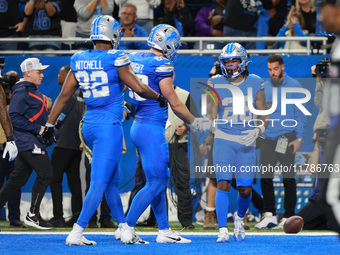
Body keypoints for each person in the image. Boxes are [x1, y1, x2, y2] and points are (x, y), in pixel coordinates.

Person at [42, 15, 167, 245]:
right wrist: (158, 97)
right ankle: (77, 231)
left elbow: (63, 96)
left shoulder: (79, 58)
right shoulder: (116, 57)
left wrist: (50, 124)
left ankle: (123, 228)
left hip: (88, 125)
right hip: (107, 127)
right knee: (99, 182)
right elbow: (138, 86)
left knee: (111, 180)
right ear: (113, 35)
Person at [114, 24, 211, 244]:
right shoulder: (162, 64)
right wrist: (195, 123)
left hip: (138, 127)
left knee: (155, 180)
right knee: (157, 182)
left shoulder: (134, 57)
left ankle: (164, 229)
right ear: (166, 44)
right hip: (151, 128)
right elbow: (175, 102)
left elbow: (125, 91)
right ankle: (126, 226)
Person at [207, 42, 269, 242]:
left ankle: (240, 218)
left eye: (234, 60)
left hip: (246, 140)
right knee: (222, 183)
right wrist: (213, 127)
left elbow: (264, 114)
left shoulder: (255, 81)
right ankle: (223, 229)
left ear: (243, 61)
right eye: (227, 61)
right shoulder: (215, 81)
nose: (231, 64)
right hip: (224, 138)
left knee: (245, 189)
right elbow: (211, 112)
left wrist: (259, 129)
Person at [0, 57, 53, 230]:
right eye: (39, 72)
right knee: (46, 174)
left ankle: (33, 214)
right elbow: (14, 117)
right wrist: (38, 130)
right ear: (28, 73)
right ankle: (33, 215)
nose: (43, 75)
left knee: (15, 181)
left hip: (29, 141)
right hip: (27, 141)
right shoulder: (23, 91)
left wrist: (49, 131)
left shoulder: (31, 90)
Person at [255, 54, 306, 230]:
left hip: (287, 136)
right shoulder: (263, 86)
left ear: (282, 67)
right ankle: (269, 215)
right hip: (267, 138)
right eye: (270, 70)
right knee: (266, 176)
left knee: (288, 178)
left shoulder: (294, 86)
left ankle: (288, 216)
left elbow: (300, 116)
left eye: (275, 69)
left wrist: (299, 139)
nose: (272, 73)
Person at [48, 65, 84, 228]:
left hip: (63, 145)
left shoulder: (67, 94)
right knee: (74, 183)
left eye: (60, 73)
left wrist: (52, 119)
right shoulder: (79, 96)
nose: (58, 76)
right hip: (75, 146)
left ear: (68, 75)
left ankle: (58, 217)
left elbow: (59, 117)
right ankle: (76, 217)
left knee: (54, 180)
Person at [318, 0, 340, 235]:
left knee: (330, 196)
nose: (321, 21)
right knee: (326, 195)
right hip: (336, 125)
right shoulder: (336, 42)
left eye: (323, 14)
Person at [166, 85, 199, 230]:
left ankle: (186, 221)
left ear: (172, 75)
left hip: (178, 144)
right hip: (156, 144)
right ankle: (156, 220)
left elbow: (196, 119)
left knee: (182, 183)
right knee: (152, 183)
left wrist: (186, 126)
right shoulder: (152, 92)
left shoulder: (184, 94)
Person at [0, 71, 20, 227]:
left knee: (14, 184)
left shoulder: (17, 97)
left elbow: (13, 103)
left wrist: (14, 86)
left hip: (13, 147)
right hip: (0, 146)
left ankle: (14, 218)